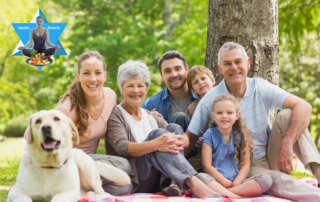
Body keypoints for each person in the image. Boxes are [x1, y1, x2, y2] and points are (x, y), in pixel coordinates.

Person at [187, 41, 320, 201]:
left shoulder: (259, 86)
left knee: (290, 114)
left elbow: (304, 106)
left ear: (248, 63)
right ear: (220, 68)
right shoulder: (210, 99)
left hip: (271, 153)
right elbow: (190, 137)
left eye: (238, 62)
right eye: (227, 64)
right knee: (274, 181)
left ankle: (318, 175)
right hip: (245, 165)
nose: (234, 67)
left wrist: (287, 143)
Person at [105, 60, 242, 198]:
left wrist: (203, 141)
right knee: (158, 134)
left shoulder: (150, 116)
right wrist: (155, 144)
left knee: (174, 127)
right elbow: (122, 147)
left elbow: (177, 138)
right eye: (130, 86)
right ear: (121, 88)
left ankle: (179, 183)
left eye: (140, 85)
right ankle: (192, 183)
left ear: (146, 89)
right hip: (137, 178)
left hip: (161, 177)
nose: (136, 90)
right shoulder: (116, 115)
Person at [57, 50, 131, 195]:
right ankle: (75, 190)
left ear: (105, 75)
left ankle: (85, 192)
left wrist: (148, 114)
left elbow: (117, 124)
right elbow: (55, 150)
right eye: (86, 73)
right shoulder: (66, 109)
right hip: (68, 165)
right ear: (78, 76)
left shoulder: (110, 96)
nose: (93, 79)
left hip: (91, 167)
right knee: (124, 166)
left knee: (124, 187)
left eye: (97, 73)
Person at [202, 94, 272, 197]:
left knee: (266, 180)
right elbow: (207, 165)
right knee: (201, 177)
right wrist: (224, 182)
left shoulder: (242, 135)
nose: (224, 116)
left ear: (237, 115)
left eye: (229, 112)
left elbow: (246, 165)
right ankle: (234, 195)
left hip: (238, 181)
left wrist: (236, 183)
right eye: (219, 113)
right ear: (213, 116)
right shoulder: (209, 134)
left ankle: (226, 194)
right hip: (216, 181)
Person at [142, 50, 198, 131]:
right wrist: (149, 121)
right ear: (162, 76)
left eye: (178, 69)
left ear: (187, 70)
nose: (174, 74)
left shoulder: (202, 96)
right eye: (167, 71)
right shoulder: (150, 105)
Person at [185, 65, 215, 170]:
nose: (201, 82)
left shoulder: (223, 98)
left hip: (222, 144)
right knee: (188, 167)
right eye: (196, 82)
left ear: (212, 80)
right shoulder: (192, 108)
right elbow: (192, 132)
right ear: (193, 90)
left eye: (203, 78)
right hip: (202, 150)